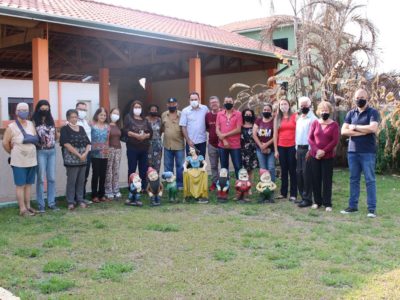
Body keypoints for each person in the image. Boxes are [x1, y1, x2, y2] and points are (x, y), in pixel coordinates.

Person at [340, 88, 379, 218]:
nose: (359, 99)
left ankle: (371, 209)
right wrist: (363, 131)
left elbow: (373, 128)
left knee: (370, 180)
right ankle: (352, 206)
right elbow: (343, 131)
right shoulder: (351, 113)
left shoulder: (373, 112)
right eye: (357, 97)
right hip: (352, 151)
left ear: (367, 98)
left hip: (368, 152)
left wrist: (355, 127)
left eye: (362, 97)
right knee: (353, 179)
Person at [2, 102, 38, 216]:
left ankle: (28, 206)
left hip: (31, 160)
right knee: (20, 185)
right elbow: (5, 143)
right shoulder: (11, 127)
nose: (24, 112)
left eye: (26, 110)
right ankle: (22, 209)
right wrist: (12, 152)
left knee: (28, 184)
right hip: (18, 161)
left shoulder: (31, 124)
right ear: (16, 112)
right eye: (21, 110)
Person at [308, 101, 339, 211]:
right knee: (315, 179)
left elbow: (334, 141)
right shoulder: (315, 123)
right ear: (318, 111)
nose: (324, 112)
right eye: (322, 110)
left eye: (326, 110)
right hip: (315, 156)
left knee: (327, 180)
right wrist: (317, 151)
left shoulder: (334, 125)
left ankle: (327, 203)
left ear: (330, 111)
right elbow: (310, 139)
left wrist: (323, 151)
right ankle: (317, 202)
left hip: (328, 156)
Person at [59, 109, 90, 211]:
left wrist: (85, 154)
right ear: (68, 118)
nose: (74, 119)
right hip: (71, 159)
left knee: (81, 180)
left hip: (83, 159)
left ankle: (80, 199)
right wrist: (78, 154)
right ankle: (71, 202)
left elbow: (88, 142)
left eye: (75, 117)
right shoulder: (64, 129)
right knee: (72, 181)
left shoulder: (81, 128)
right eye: (72, 117)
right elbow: (66, 144)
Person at [32, 99, 59, 213]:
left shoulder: (51, 120)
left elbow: (56, 136)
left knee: (51, 178)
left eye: (46, 107)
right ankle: (41, 204)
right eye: (42, 107)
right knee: (41, 179)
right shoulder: (33, 121)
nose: (44, 109)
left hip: (52, 151)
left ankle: (51, 203)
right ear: (38, 108)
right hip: (41, 152)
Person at [123, 100, 153, 189]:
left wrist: (145, 136)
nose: (137, 109)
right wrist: (136, 135)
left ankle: (143, 187)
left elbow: (150, 132)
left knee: (143, 168)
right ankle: (132, 187)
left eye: (139, 107)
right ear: (132, 108)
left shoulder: (145, 119)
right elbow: (125, 130)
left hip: (144, 148)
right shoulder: (128, 117)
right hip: (132, 147)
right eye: (135, 107)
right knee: (132, 168)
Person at [273, 98, 297, 201]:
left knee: (292, 171)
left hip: (292, 146)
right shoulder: (277, 118)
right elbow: (275, 135)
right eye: (281, 104)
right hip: (281, 147)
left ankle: (293, 194)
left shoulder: (295, 116)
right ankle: (283, 193)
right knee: (284, 170)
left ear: (289, 105)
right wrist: (276, 150)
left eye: (285, 104)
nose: (283, 106)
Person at [295, 96, 317, 208]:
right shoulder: (299, 119)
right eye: (302, 106)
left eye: (305, 105)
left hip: (308, 149)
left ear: (310, 105)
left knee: (306, 174)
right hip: (299, 149)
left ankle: (308, 199)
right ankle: (302, 196)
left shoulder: (313, 119)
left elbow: (314, 136)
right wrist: (296, 148)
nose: (304, 107)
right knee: (299, 173)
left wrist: (310, 149)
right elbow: (297, 135)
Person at [216, 96, 242, 178]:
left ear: (233, 103)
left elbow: (238, 129)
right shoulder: (219, 114)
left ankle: (240, 186)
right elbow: (217, 129)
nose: (228, 103)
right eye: (226, 101)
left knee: (238, 166)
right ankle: (225, 188)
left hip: (235, 145)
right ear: (223, 103)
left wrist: (224, 135)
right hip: (222, 145)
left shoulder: (238, 114)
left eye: (230, 101)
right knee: (224, 168)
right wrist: (224, 140)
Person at [161, 97, 185, 190]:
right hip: (167, 145)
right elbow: (161, 128)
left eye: (174, 103)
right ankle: (169, 184)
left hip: (179, 145)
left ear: (177, 104)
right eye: (170, 104)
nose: (172, 105)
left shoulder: (182, 114)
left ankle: (179, 184)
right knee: (168, 166)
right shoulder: (163, 115)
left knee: (180, 166)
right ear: (167, 105)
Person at [179, 92, 208, 157]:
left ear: (199, 99)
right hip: (191, 143)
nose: (194, 101)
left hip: (202, 141)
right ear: (189, 100)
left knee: (201, 163)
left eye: (195, 99)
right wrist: (188, 141)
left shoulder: (205, 109)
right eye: (192, 100)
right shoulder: (185, 111)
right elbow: (183, 127)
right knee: (191, 164)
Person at [91, 107, 110, 203]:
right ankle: (94, 195)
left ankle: (101, 194)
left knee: (103, 175)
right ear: (97, 115)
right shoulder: (92, 126)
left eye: (104, 115)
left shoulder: (107, 127)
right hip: (95, 154)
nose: (103, 116)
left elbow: (107, 140)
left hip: (105, 154)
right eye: (101, 115)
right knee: (96, 174)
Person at [253, 103, 275, 182]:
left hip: (271, 149)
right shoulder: (258, 120)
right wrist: (261, 146)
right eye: (265, 110)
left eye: (268, 110)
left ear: (271, 111)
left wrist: (266, 145)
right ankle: (264, 188)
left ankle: (271, 186)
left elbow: (275, 136)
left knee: (271, 168)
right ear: (262, 111)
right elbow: (254, 134)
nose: (266, 111)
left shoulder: (274, 121)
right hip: (260, 149)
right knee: (263, 169)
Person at [105, 108, 122, 199]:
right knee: (109, 170)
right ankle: (108, 190)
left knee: (116, 170)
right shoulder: (106, 125)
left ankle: (116, 189)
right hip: (109, 149)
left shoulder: (118, 126)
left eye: (117, 114)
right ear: (110, 114)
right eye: (114, 113)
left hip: (118, 149)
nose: (116, 115)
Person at [76, 102, 91, 201]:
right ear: (76, 109)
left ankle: (82, 196)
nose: (82, 112)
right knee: (76, 176)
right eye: (80, 109)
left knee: (84, 176)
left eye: (84, 110)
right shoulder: (72, 122)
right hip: (78, 153)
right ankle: (75, 197)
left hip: (88, 151)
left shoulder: (86, 122)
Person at [205, 96, 221, 191]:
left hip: (223, 144)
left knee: (223, 165)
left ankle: (224, 182)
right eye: (212, 103)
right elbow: (207, 128)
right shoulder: (207, 115)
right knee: (214, 165)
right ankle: (215, 183)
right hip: (212, 144)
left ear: (219, 103)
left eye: (215, 102)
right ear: (210, 105)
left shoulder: (223, 112)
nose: (214, 104)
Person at [240, 109, 258, 185]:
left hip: (252, 150)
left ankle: (249, 185)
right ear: (243, 115)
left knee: (250, 169)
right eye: (246, 115)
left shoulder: (255, 125)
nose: (248, 116)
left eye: (250, 115)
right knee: (243, 169)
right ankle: (244, 184)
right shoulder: (240, 126)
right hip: (242, 150)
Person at [146, 104, 162, 173]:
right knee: (148, 163)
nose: (154, 111)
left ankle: (156, 181)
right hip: (148, 144)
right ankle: (148, 181)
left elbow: (161, 131)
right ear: (149, 110)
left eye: (155, 110)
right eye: (152, 110)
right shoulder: (145, 120)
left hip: (158, 144)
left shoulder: (159, 120)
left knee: (157, 163)